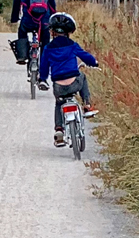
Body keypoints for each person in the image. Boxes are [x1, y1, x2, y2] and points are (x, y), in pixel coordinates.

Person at [38, 12, 98, 147]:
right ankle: (87, 105)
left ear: (52, 32)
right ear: (69, 32)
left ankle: (59, 130)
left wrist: (42, 79)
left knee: (59, 104)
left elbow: (44, 67)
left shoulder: (48, 48)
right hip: (74, 83)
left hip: (58, 85)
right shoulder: (72, 45)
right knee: (82, 76)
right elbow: (85, 56)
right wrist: (94, 62)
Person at [9, 0, 55, 76]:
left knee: (22, 30)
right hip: (43, 21)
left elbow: (16, 3)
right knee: (45, 40)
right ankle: (44, 65)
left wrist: (14, 19)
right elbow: (52, 4)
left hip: (28, 21)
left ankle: (22, 55)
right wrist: (53, 18)